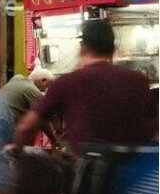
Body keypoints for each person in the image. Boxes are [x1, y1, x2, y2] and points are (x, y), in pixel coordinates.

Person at [10, 17, 158, 152]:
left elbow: (27, 126)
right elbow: (153, 127)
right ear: (113, 49)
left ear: (82, 47)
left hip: (90, 174)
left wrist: (15, 149)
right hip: (136, 175)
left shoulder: (68, 82)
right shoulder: (138, 80)